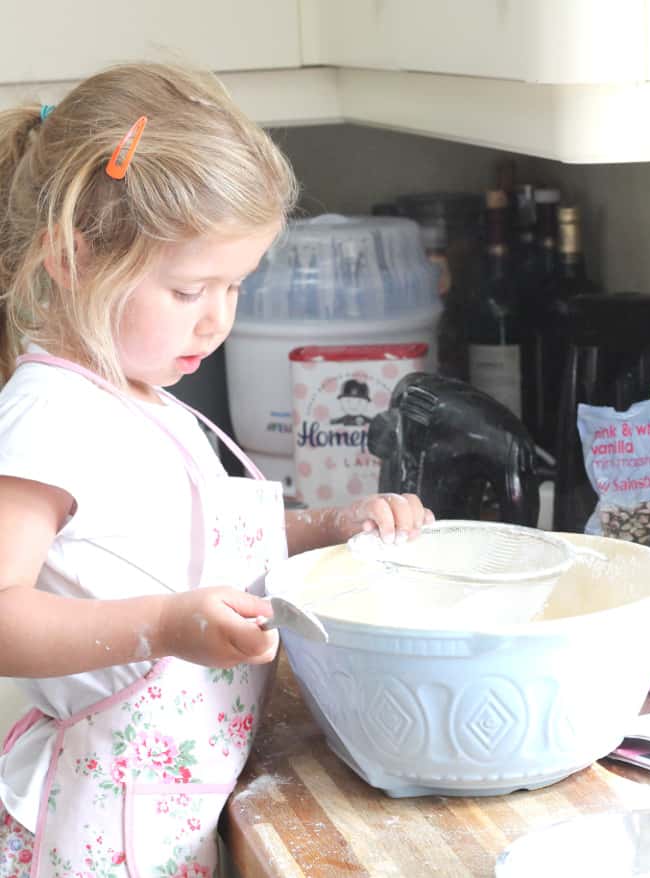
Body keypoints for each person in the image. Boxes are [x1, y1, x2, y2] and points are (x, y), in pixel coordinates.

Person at [0, 63, 433, 876]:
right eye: (188, 287)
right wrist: (161, 627)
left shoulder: (147, 399)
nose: (217, 318)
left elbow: (200, 551)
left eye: (235, 284)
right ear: (69, 258)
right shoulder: (47, 418)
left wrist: (329, 528)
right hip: (104, 831)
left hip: (179, 813)